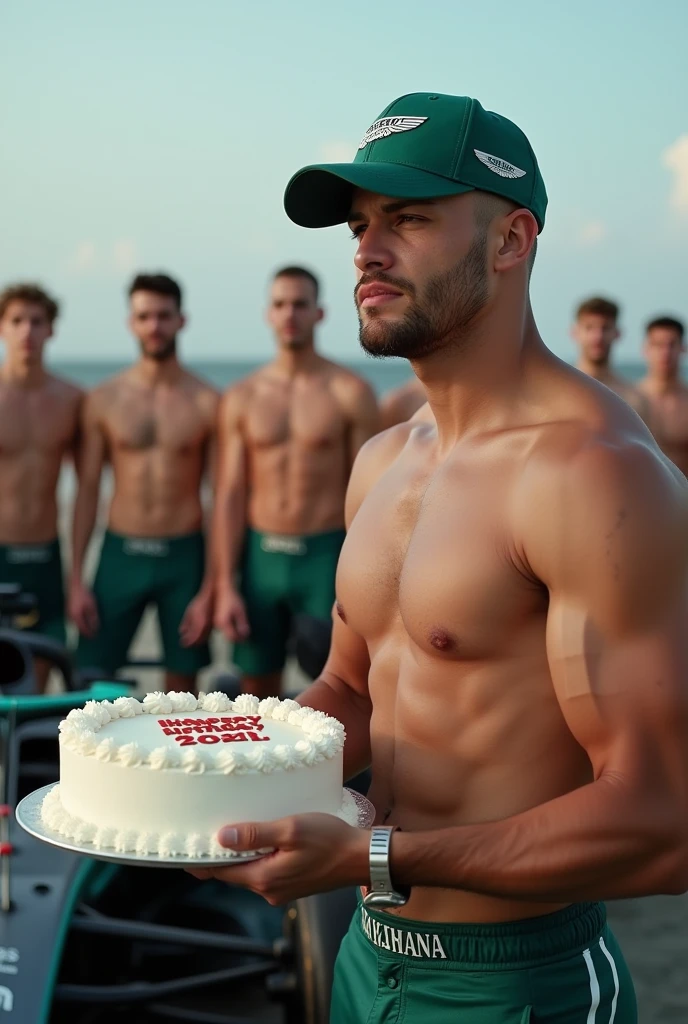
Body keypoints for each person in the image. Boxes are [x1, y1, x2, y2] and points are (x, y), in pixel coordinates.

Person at [193, 93, 688, 1023]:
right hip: (366, 956)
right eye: (359, 225)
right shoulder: (385, 460)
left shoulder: (594, 475)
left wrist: (374, 858)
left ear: (511, 240)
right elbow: (348, 695)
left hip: (518, 979)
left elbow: (663, 825)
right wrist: (201, 787)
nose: (368, 253)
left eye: (410, 219)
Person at [213, 266, 379, 698]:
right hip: (260, 557)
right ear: (268, 314)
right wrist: (225, 583)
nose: (291, 314)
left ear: (320, 313)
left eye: (301, 304)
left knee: (342, 688)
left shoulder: (350, 392)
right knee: (256, 691)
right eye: (281, 304)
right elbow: (229, 493)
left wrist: (365, 578)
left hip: (324, 557)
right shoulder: (242, 397)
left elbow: (370, 495)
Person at [69, 273, 218, 692]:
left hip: (184, 556)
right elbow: (86, 492)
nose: (154, 326)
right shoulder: (104, 399)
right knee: (92, 682)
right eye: (144, 316)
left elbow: (222, 497)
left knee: (182, 691)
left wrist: (212, 587)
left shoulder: (207, 401)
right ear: (131, 323)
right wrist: (76, 579)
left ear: (181, 320)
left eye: (163, 316)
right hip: (120, 553)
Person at [0, 284, 82, 690]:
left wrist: (78, 575)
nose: (26, 331)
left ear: (51, 330)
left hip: (47, 557)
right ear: (2, 328)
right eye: (16, 321)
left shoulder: (70, 399)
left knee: (41, 676)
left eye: (37, 321)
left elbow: (86, 493)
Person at [571, 296, 649, 417]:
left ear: (617, 333)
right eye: (589, 327)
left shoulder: (633, 400)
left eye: (605, 328)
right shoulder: (558, 391)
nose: (598, 336)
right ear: (575, 332)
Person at [637, 316, 688, 476]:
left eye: (672, 345)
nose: (665, 352)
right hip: (641, 496)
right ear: (646, 349)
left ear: (682, 348)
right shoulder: (627, 400)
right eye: (658, 345)